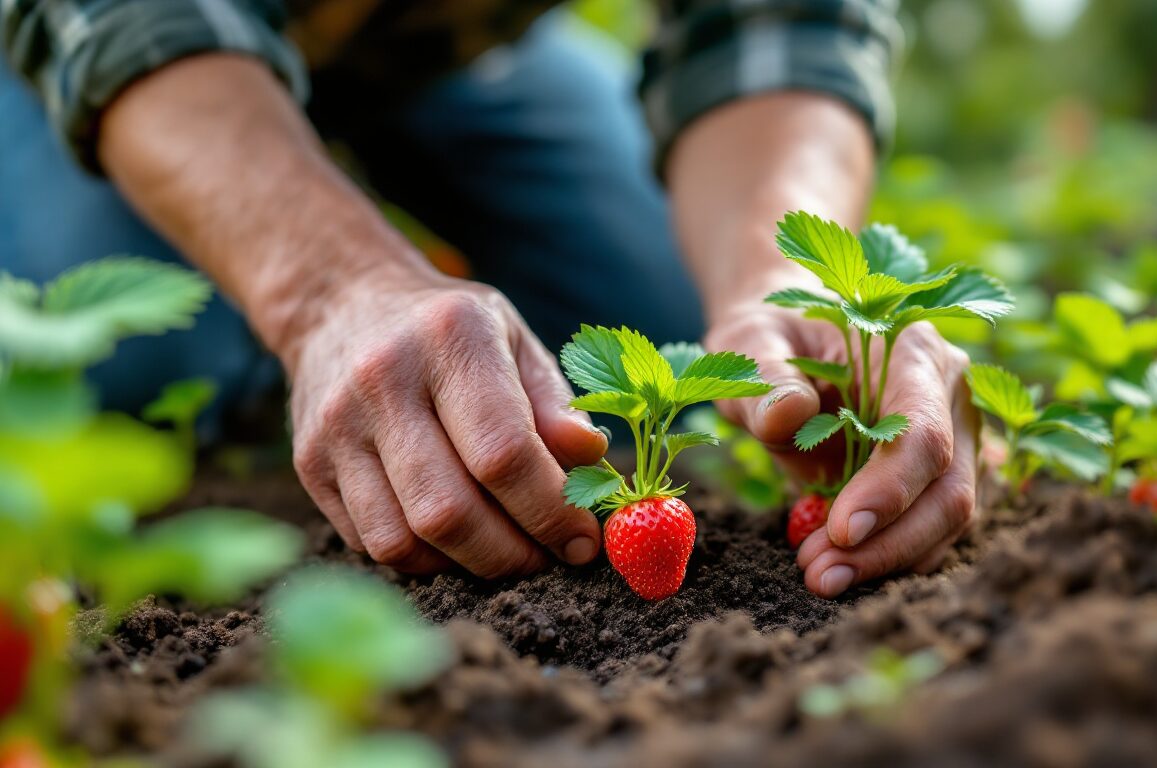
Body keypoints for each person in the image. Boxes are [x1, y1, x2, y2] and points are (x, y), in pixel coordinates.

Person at [1, 0, 976, 598]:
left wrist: (782, 281)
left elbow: (781, 27)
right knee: (144, 354)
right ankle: (276, 342)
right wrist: (329, 294)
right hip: (113, 45)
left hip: (438, 48)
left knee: (675, 314)